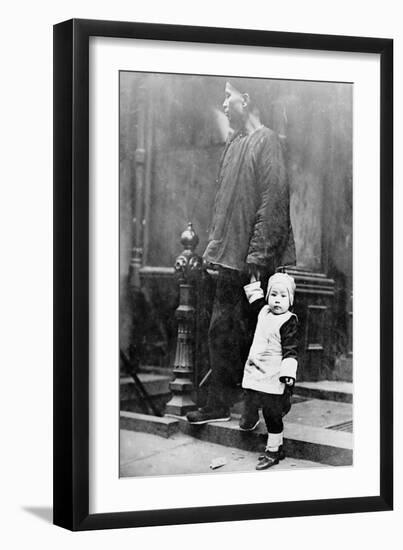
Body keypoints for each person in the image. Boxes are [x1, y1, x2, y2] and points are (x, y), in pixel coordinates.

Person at [186, 79, 296, 425]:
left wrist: (257, 259)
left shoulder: (269, 144)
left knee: (259, 339)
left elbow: (272, 206)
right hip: (227, 259)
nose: (223, 103)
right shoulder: (234, 144)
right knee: (221, 332)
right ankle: (219, 403)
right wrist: (213, 252)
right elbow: (223, 206)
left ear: (245, 100)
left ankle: (258, 409)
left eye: (227, 96)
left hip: (253, 264)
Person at [240, 272, 298, 470]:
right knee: (251, 396)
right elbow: (255, 300)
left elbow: (291, 349)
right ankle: (248, 418)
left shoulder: (289, 321)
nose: (277, 300)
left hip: (275, 375)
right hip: (256, 370)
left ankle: (274, 450)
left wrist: (288, 373)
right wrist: (254, 282)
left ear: (290, 300)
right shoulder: (264, 312)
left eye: (283, 296)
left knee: (272, 413)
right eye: (273, 295)